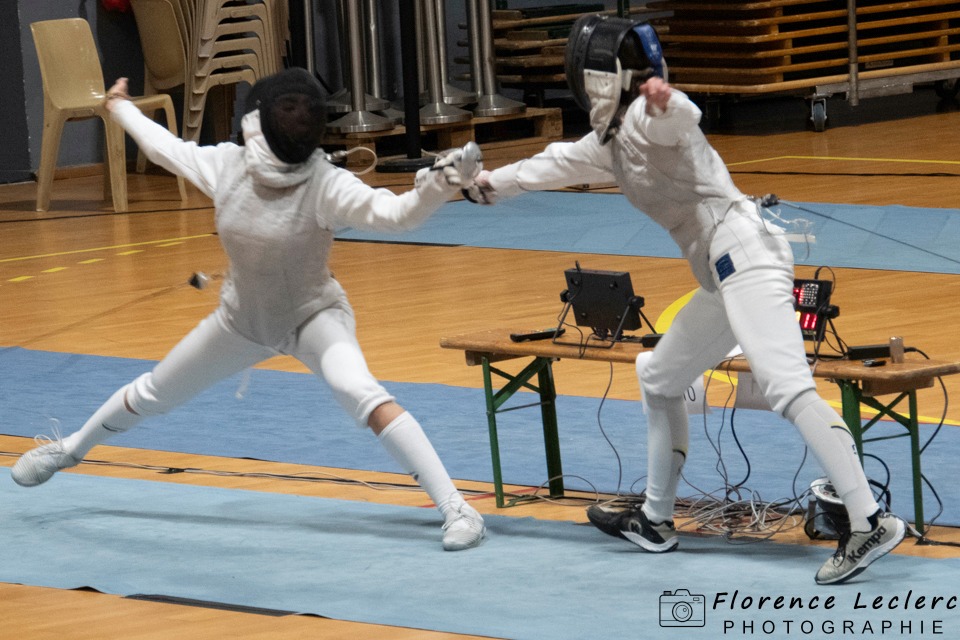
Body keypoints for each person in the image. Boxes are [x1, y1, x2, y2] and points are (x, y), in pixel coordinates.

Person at [463, 15, 904, 583]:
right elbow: (542, 165)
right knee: (659, 376)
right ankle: (655, 518)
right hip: (723, 275)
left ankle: (869, 520)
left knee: (788, 387)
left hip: (748, 254)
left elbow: (682, 118)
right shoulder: (608, 145)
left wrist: (665, 99)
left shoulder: (655, 116)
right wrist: (478, 187)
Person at [12, 68, 486, 551]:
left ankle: (457, 508)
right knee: (155, 390)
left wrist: (437, 185)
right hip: (240, 320)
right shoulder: (229, 164)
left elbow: (396, 215)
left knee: (359, 391)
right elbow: (161, 148)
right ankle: (68, 450)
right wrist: (119, 106)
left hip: (313, 316)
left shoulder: (325, 183)